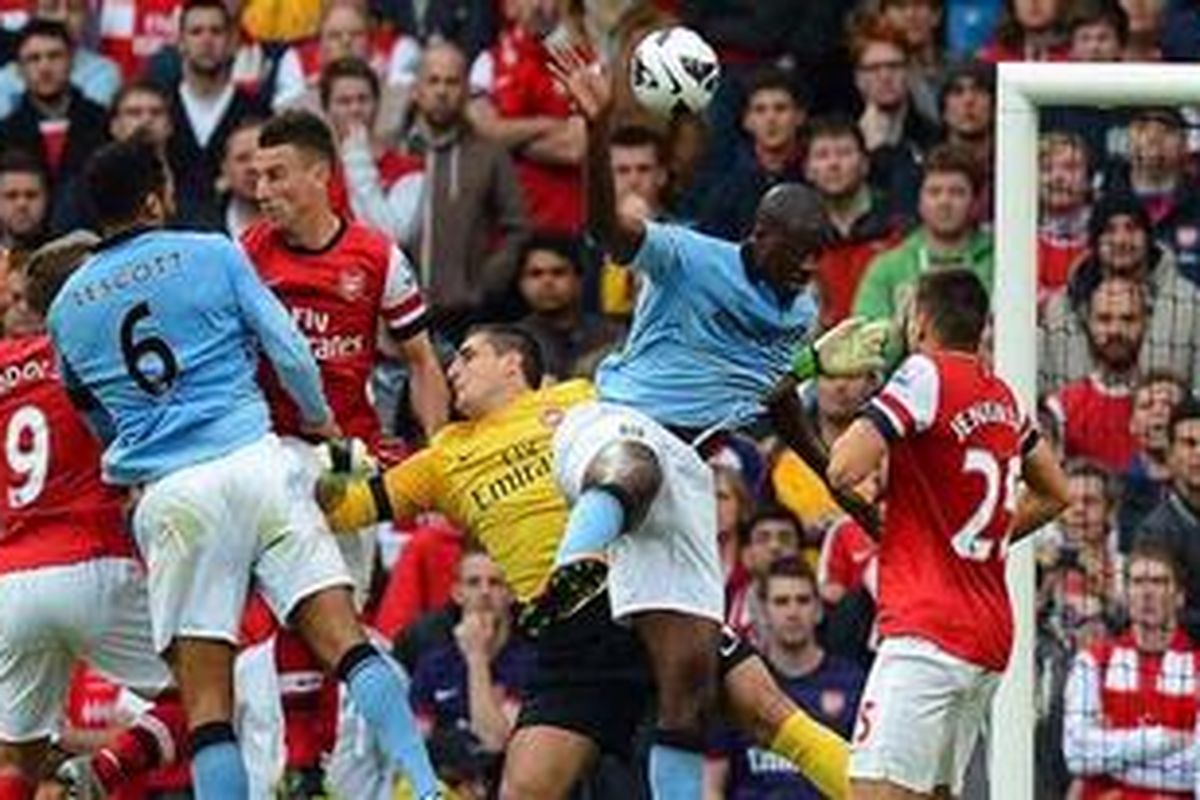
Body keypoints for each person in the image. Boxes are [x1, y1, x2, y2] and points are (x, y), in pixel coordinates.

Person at [529, 47, 887, 800]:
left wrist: (833, 477)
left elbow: (776, 398)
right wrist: (598, 131)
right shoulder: (691, 257)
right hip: (613, 425)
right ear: (762, 237)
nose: (807, 271)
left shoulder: (799, 311)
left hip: (685, 472)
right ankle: (571, 570)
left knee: (689, 680)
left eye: (817, 260)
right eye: (798, 256)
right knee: (639, 462)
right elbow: (609, 228)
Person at [37, 136, 442, 800]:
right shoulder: (215, 251)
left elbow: (90, 413)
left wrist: (133, 452)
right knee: (345, 640)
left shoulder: (66, 310)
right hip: (262, 463)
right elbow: (287, 349)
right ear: (153, 198)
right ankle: (427, 788)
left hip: (172, 494)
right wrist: (319, 419)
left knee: (208, 704)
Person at [316, 323, 853, 800]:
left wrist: (804, 365)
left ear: (514, 363)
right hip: (571, 636)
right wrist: (335, 464)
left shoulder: (584, 398)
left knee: (769, 714)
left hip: (646, 591)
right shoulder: (441, 459)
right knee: (525, 787)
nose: (452, 368)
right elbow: (346, 511)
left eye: (469, 356)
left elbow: (699, 397)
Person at [825, 269, 1070, 799]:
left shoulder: (922, 374)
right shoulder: (1003, 396)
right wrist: (988, 536)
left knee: (872, 791)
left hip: (925, 630)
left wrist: (872, 516)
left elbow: (843, 469)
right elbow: (1055, 493)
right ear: (978, 327)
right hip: (987, 637)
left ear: (920, 321)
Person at [0, 234, 188, 800]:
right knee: (212, 690)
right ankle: (103, 772)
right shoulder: (102, 358)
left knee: (17, 755)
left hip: (10, 582)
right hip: (93, 563)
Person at [705, 557, 866, 799]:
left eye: (803, 600)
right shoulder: (741, 681)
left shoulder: (854, 682)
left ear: (819, 609)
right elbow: (712, 786)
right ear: (763, 611)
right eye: (781, 602)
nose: (793, 612)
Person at [1062, 540, 1198, 796]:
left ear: (1179, 596)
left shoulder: (1198, 669)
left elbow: (1195, 771)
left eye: (1158, 582)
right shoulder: (1092, 662)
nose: (1147, 592)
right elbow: (1077, 755)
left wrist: (1110, 757)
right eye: (1137, 582)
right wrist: (1165, 739)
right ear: (1125, 593)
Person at [1044, 275, 1147, 472]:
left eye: (1128, 319)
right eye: (1104, 319)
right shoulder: (1060, 408)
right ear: (1088, 323)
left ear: (1145, 322)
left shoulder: (1166, 404)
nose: (1116, 330)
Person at [515, 232, 623, 381]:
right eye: (536, 274)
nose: (547, 282)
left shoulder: (613, 336)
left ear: (579, 280)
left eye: (558, 273)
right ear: (521, 283)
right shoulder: (513, 344)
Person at [1135, 396, 1200, 640]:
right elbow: (1163, 612)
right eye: (1189, 443)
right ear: (1170, 455)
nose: (1199, 452)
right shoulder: (1155, 532)